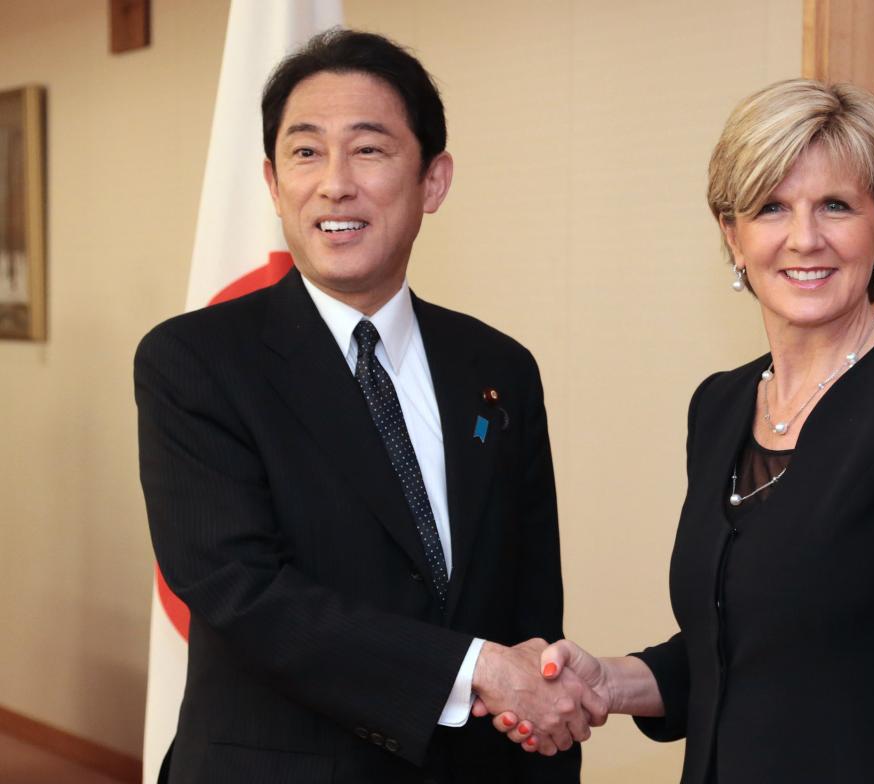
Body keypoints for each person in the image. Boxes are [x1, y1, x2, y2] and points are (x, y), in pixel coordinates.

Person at [483, 79, 874, 782]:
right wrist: (608, 681)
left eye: (835, 206)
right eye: (770, 208)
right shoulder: (721, 406)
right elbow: (736, 653)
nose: (804, 238)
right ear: (732, 235)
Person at [135, 29, 600, 784]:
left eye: (370, 149)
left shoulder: (499, 369)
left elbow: (528, 611)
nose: (334, 183)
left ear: (434, 181)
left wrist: (539, 715)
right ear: (272, 181)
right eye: (306, 152)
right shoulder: (195, 362)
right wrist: (472, 669)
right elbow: (240, 591)